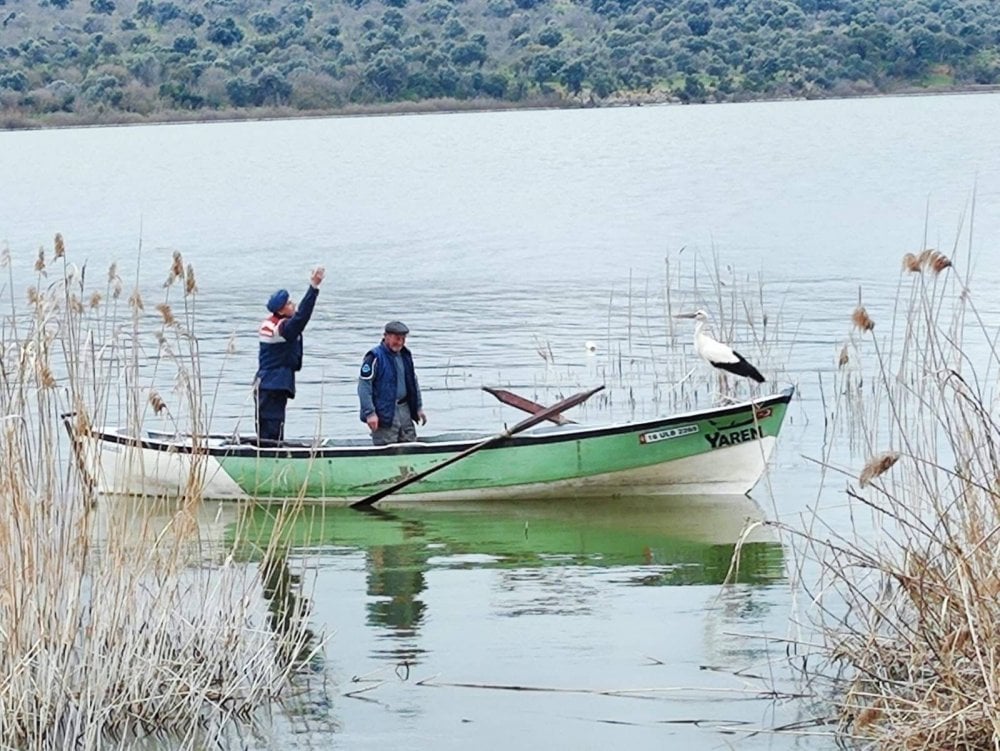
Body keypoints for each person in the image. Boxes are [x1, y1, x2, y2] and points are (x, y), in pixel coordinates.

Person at [255, 267, 325, 442]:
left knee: (270, 427)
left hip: (269, 383)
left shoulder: (270, 324)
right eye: (288, 303)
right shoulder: (280, 329)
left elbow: (296, 318)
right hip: (273, 385)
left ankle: (270, 453)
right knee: (272, 429)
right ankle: (270, 458)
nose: (292, 305)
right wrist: (313, 288)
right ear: (280, 310)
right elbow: (301, 318)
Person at [358, 320, 427, 445]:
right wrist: (370, 414)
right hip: (384, 412)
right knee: (386, 448)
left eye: (403, 339)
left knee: (411, 445)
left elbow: (413, 381)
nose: (400, 342)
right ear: (386, 337)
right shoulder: (374, 357)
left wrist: (418, 407)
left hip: (405, 410)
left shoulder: (406, 355)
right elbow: (364, 387)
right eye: (396, 338)